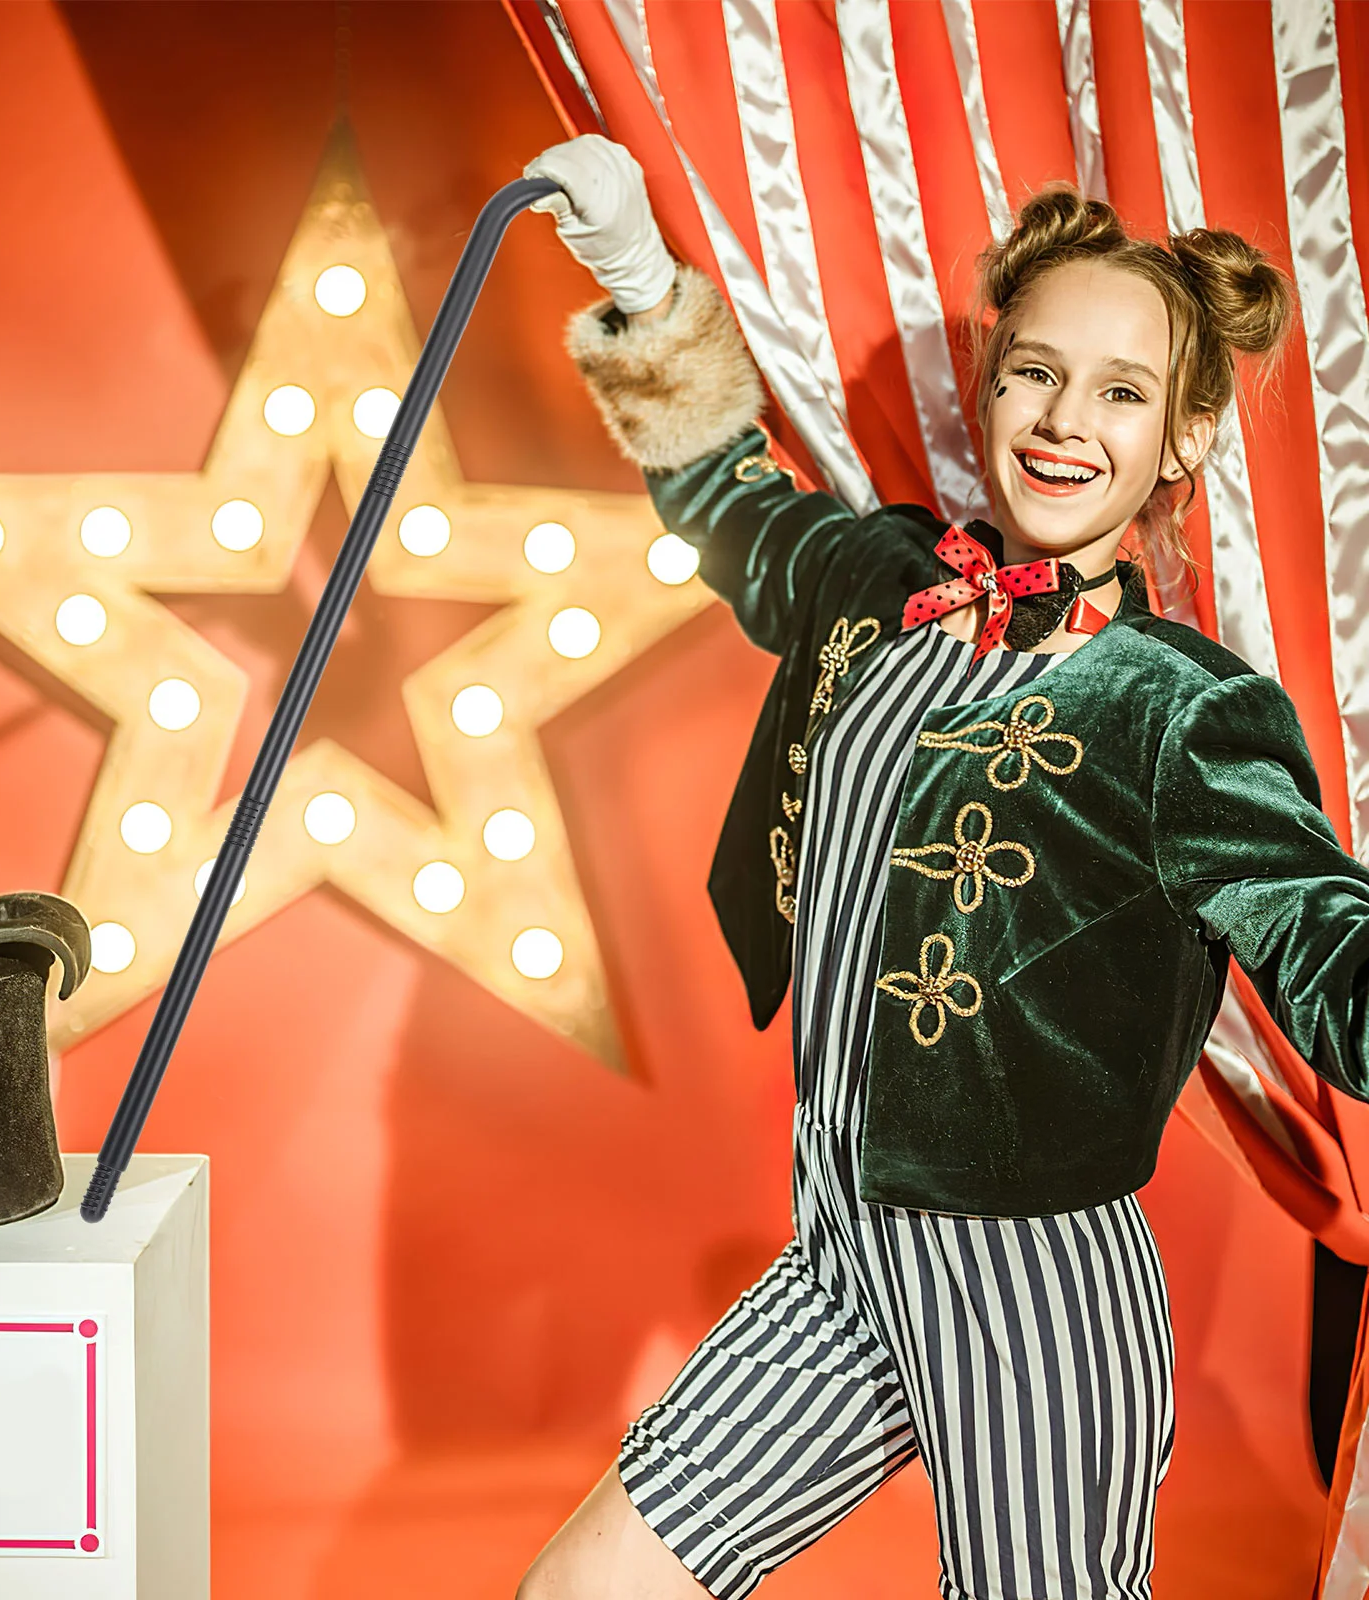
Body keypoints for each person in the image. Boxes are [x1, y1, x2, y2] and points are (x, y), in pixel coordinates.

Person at [512, 135, 1369, 1600]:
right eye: (1036, 370)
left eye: (1122, 392)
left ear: (1186, 440)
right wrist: (643, 283)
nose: (1063, 421)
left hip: (1036, 1302)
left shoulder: (1184, 710)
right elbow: (732, 509)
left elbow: (1332, 952)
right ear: (990, 382)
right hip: (840, 1260)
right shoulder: (889, 585)